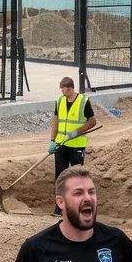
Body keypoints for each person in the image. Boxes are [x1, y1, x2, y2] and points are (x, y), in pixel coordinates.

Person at [48, 77, 96, 216]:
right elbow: (56, 121)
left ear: (70, 88)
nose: (62, 92)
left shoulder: (83, 101)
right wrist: (52, 140)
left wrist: (77, 131)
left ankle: (77, 207)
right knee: (60, 176)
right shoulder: (59, 101)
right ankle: (59, 208)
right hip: (61, 145)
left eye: (63, 89)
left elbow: (92, 121)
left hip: (77, 146)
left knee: (76, 178)